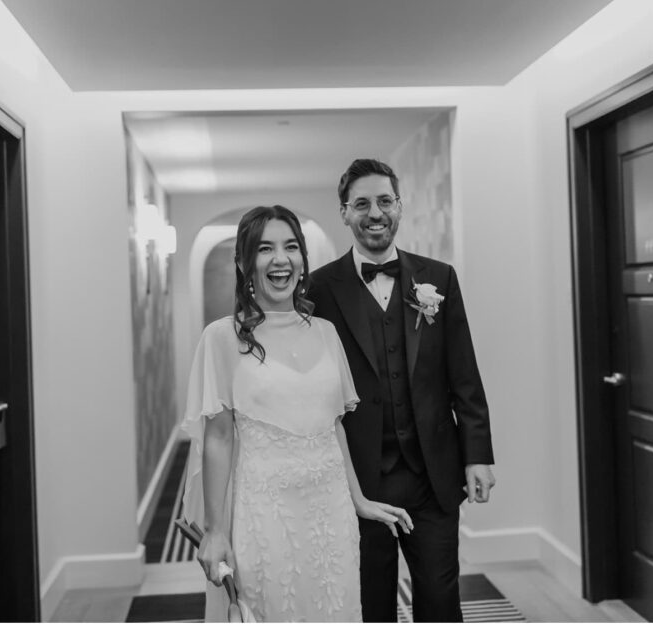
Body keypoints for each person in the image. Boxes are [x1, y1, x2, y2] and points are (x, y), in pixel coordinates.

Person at [180, 205, 414, 622]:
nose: (280, 259)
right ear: (243, 263)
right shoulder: (221, 338)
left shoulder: (325, 332)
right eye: (265, 248)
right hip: (267, 514)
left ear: (303, 260)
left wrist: (358, 499)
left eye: (291, 247)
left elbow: (334, 426)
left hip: (332, 513)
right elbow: (217, 438)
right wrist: (216, 531)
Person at [308, 159, 496, 622]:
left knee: (439, 597)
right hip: (359, 478)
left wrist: (478, 454)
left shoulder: (440, 277)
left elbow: (464, 376)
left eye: (385, 201)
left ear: (400, 206)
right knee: (371, 604)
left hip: (432, 473)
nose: (376, 213)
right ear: (344, 213)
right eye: (362, 204)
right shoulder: (319, 289)